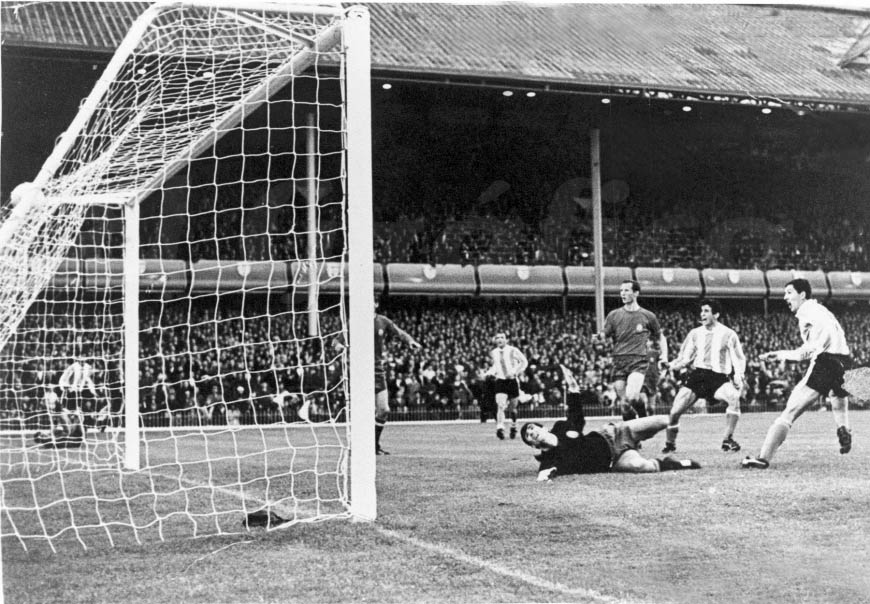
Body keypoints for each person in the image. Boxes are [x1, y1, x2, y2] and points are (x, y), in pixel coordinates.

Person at [742, 278, 853, 469]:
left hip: (826, 360)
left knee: (789, 412)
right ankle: (844, 427)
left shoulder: (807, 312)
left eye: (789, 292)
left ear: (802, 295)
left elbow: (809, 349)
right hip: (845, 360)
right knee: (837, 396)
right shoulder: (821, 310)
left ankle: (763, 458)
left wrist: (784, 354)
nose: (785, 297)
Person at [520, 388, 701, 478]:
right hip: (614, 461)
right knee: (643, 466)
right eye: (528, 435)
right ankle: (679, 463)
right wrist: (546, 474)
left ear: (542, 427)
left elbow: (577, 419)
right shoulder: (548, 461)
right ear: (533, 445)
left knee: (664, 420)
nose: (532, 432)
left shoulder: (560, 427)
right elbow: (545, 473)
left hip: (613, 434)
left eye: (531, 428)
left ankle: (670, 443)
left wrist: (574, 392)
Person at [662, 299, 746, 454]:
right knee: (674, 412)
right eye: (701, 311)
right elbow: (684, 358)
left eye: (706, 311)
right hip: (697, 376)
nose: (702, 314)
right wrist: (671, 365)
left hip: (718, 378)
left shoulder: (728, 334)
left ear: (716, 314)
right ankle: (670, 444)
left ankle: (728, 439)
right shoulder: (695, 333)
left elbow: (739, 357)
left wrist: (738, 376)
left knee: (734, 398)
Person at [596, 280, 665, 422]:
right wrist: (599, 337)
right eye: (621, 290)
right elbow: (605, 334)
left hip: (638, 361)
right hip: (619, 362)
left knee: (631, 396)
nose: (622, 293)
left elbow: (660, 337)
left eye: (626, 290)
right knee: (625, 405)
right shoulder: (614, 315)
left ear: (636, 293)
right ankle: (633, 437)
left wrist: (665, 355)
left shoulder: (647, 316)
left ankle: (643, 416)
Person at [374, 302, 421, 455]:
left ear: (376, 304)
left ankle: (374, 445)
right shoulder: (355, 321)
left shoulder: (382, 320)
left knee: (384, 410)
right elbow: (337, 342)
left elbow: (399, 333)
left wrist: (410, 341)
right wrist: (340, 347)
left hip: (377, 369)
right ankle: (361, 445)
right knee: (361, 410)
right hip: (360, 369)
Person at [484, 331, 529, 440]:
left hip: (512, 381)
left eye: (502, 337)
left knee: (512, 409)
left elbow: (524, 362)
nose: (499, 339)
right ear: (495, 340)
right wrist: (488, 373)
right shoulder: (493, 352)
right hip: (501, 381)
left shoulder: (513, 350)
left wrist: (514, 372)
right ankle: (500, 428)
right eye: (497, 337)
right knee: (500, 405)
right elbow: (496, 366)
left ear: (506, 340)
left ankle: (514, 426)